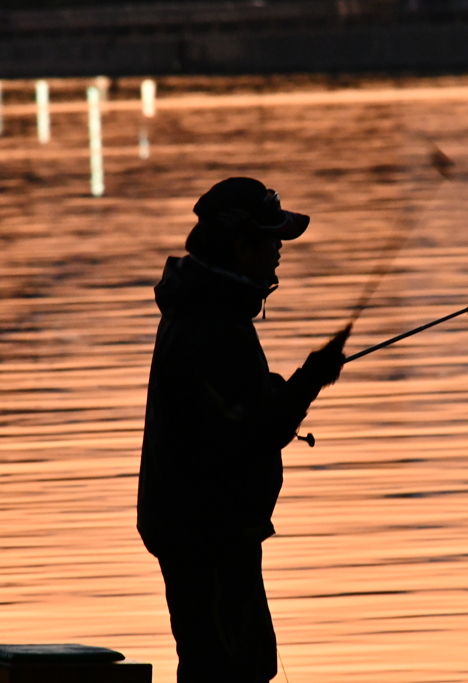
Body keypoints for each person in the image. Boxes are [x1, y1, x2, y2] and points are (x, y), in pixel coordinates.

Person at [138, 177, 350, 682]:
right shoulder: (209, 324)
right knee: (224, 668)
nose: (279, 250)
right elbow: (254, 431)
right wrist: (309, 381)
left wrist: (285, 386)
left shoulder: (213, 310)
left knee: (247, 661)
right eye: (271, 239)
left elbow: (232, 407)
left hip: (220, 528)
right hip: (202, 533)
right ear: (241, 245)